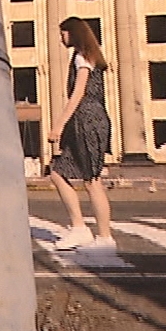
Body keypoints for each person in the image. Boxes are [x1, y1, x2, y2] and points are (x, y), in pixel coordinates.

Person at [46, 17, 114, 249]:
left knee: (92, 180)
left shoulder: (82, 57)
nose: (61, 38)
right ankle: (79, 228)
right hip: (87, 119)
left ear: (73, 33)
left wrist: (59, 126)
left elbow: (78, 94)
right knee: (58, 172)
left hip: (87, 119)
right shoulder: (85, 56)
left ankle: (104, 238)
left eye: (63, 33)